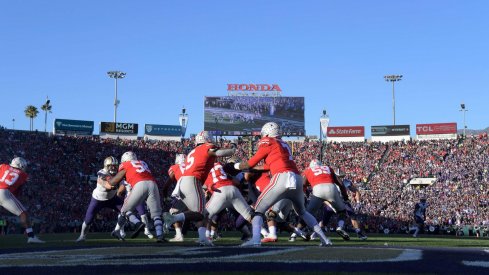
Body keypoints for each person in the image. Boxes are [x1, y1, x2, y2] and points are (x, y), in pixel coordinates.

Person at [234, 122, 332, 247]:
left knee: (258, 210)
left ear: (268, 133)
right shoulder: (285, 144)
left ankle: (256, 239)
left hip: (282, 176)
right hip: (296, 178)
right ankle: (325, 239)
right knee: (302, 212)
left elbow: (250, 163)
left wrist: (236, 166)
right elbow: (268, 166)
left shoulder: (267, 141)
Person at [163, 131, 236, 246]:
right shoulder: (206, 147)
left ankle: (203, 238)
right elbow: (220, 152)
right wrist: (233, 148)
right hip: (192, 181)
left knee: (203, 214)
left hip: (185, 182)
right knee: (200, 213)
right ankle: (173, 218)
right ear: (207, 139)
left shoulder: (193, 151)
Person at [76, 156, 145, 242]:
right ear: (106, 166)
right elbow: (108, 186)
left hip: (112, 198)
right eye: (111, 166)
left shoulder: (119, 173)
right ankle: (82, 236)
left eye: (115, 166)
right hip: (98, 199)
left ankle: (137, 223)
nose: (113, 168)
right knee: (88, 219)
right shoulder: (102, 173)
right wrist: (117, 183)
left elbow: (123, 184)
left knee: (126, 210)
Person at [108, 151, 165, 242]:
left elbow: (114, 181)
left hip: (140, 184)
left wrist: (109, 181)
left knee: (124, 210)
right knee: (156, 214)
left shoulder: (126, 164)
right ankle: (160, 235)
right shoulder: (143, 163)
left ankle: (135, 224)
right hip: (153, 184)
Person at [203, 161, 254, 243]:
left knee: (204, 215)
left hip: (220, 192)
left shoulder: (206, 169)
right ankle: (259, 236)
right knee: (249, 216)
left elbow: (206, 186)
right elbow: (237, 182)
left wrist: (208, 188)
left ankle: (207, 237)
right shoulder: (220, 166)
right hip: (233, 189)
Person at [0, 157, 44, 243]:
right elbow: (19, 188)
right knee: (23, 214)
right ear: (21, 165)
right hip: (4, 192)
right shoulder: (24, 174)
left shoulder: (3, 166)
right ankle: (31, 237)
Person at [162, 154, 187, 242]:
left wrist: (165, 196)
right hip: (197, 189)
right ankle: (206, 234)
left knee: (173, 212)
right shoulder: (190, 166)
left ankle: (179, 235)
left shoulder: (175, 167)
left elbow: (169, 181)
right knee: (198, 212)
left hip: (184, 190)